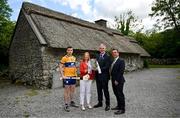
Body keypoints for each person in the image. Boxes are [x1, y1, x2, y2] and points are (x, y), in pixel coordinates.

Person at [59, 46, 79, 112]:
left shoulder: (74, 58)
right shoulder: (64, 58)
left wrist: (76, 71)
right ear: (67, 51)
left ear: (72, 51)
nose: (70, 51)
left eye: (71, 50)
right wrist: (62, 75)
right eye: (69, 50)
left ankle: (71, 102)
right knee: (66, 90)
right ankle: (66, 104)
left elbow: (74, 66)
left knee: (72, 90)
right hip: (67, 76)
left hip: (73, 76)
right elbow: (60, 67)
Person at [94, 43, 111, 111]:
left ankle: (108, 104)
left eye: (103, 48)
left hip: (104, 77)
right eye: (100, 48)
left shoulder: (108, 57)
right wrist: (94, 68)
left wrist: (98, 69)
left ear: (105, 49)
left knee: (105, 90)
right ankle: (100, 102)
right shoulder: (97, 56)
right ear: (99, 49)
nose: (101, 49)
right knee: (99, 90)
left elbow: (107, 67)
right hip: (98, 76)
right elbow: (95, 65)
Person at [110, 49, 126, 115]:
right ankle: (119, 106)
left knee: (120, 94)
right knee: (116, 93)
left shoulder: (121, 61)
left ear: (118, 53)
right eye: (113, 53)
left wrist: (117, 80)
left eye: (115, 52)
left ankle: (122, 109)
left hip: (118, 81)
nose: (114, 53)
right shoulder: (113, 61)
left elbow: (121, 71)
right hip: (113, 80)